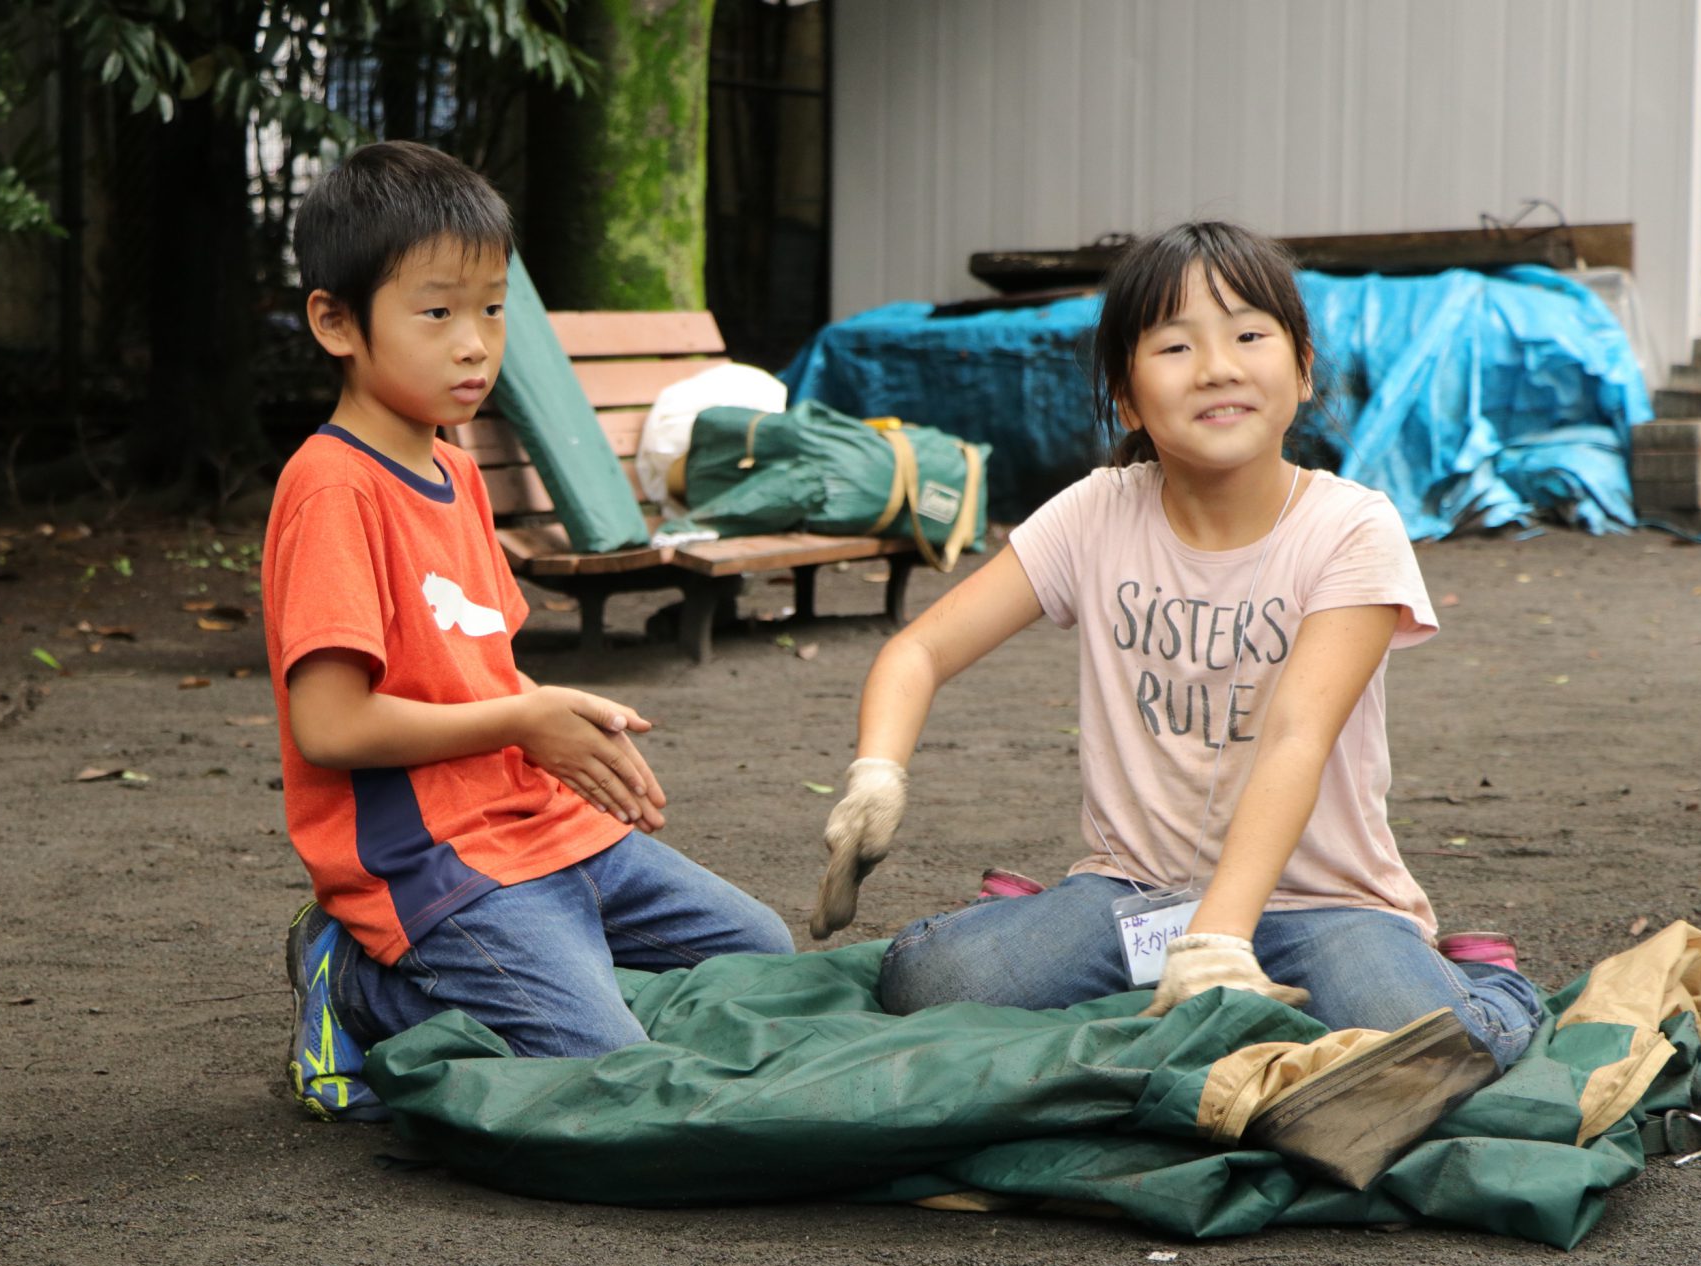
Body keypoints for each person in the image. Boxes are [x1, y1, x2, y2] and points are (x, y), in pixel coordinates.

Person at [811, 221, 1542, 1187]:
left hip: (1321, 905)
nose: (1216, 367)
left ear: (1302, 370)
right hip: (1137, 896)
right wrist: (876, 773)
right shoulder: (1095, 512)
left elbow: (1296, 736)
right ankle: (1061, 925)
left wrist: (1223, 937)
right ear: (1126, 393)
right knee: (927, 978)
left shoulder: (1352, 528)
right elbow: (919, 648)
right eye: (1174, 345)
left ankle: (1491, 983)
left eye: (1248, 335)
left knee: (1418, 1044)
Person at [263, 141, 793, 1121]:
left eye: (493, 310)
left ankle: (547, 977)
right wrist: (522, 721)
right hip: (436, 867)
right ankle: (358, 982)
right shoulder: (331, 487)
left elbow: (481, 668)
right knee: (613, 1074)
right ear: (336, 322)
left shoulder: (458, 472)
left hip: (543, 831)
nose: (474, 344)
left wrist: (554, 727)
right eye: (437, 313)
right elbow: (329, 726)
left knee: (763, 959)